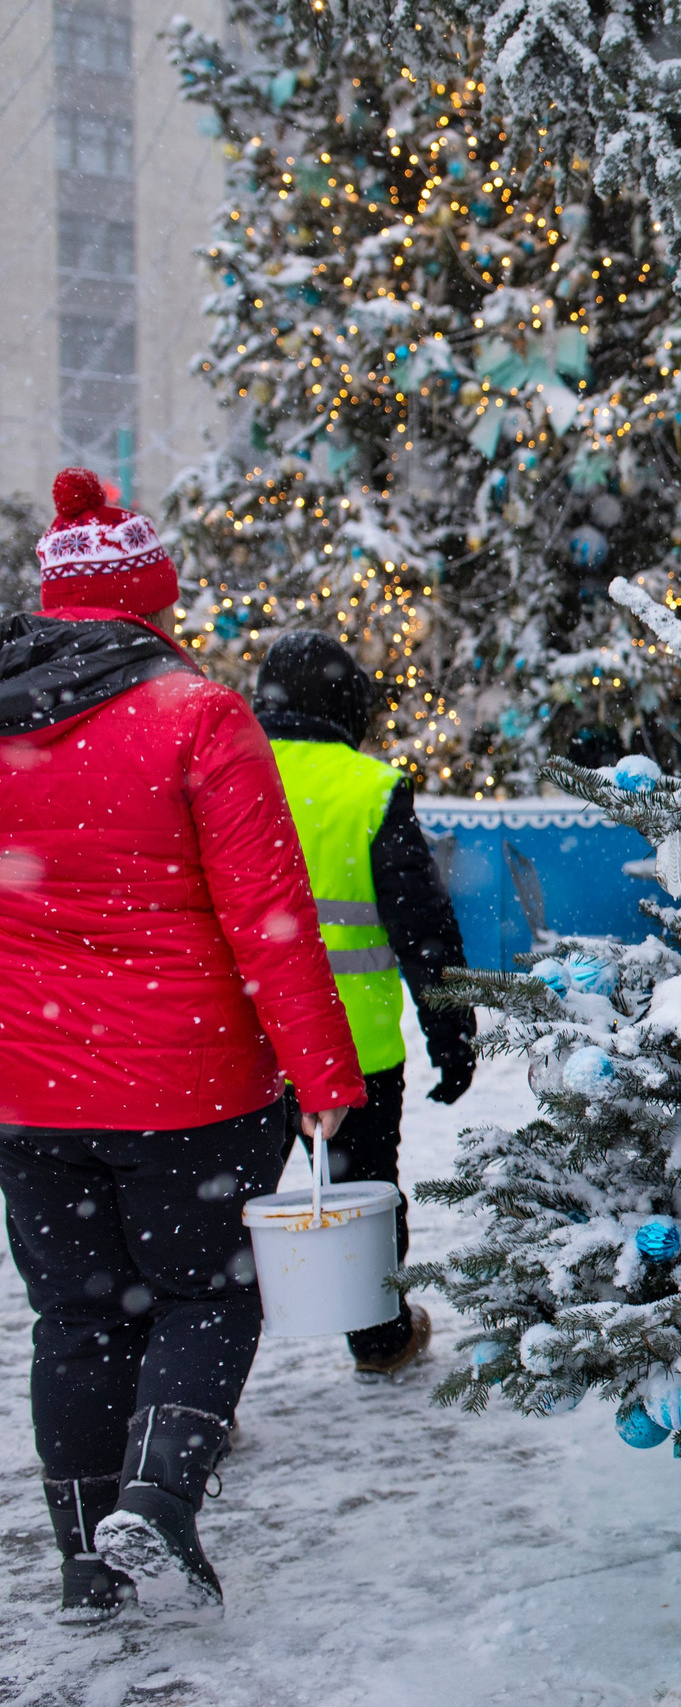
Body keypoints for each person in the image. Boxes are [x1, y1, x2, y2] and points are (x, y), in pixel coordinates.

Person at [0, 468, 366, 1620]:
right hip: (190, 1083)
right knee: (207, 1296)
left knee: (75, 1318)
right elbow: (272, 917)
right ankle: (158, 1499)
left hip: (30, 1089)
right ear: (154, 600)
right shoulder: (195, 714)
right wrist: (323, 1076)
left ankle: (80, 1560)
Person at [253, 631, 477, 1379]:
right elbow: (424, 929)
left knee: (221, 1211)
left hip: (235, 1045)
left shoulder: (219, 774)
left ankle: (202, 1364)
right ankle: (379, 1335)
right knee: (366, 1193)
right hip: (354, 1050)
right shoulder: (369, 788)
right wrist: (452, 1033)